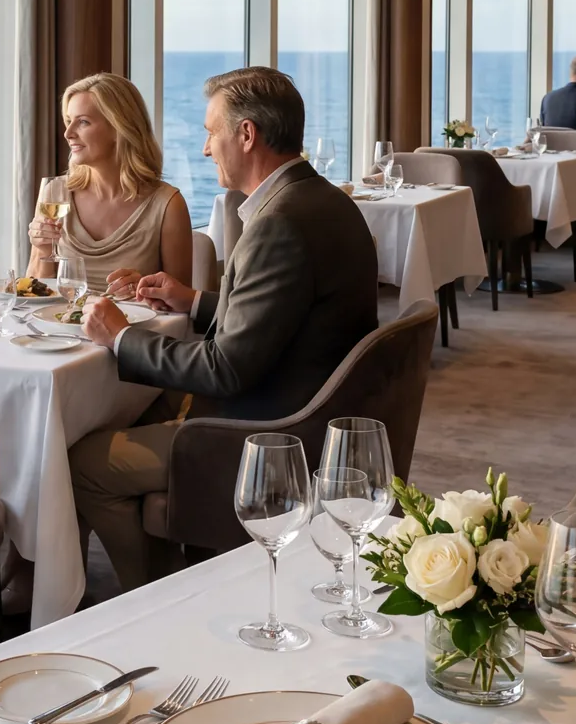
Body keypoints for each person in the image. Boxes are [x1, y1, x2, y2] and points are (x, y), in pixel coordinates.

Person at [68, 67, 377, 591]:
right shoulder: (322, 200)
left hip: (270, 435)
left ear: (247, 134)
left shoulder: (278, 223)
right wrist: (193, 302)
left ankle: (156, 596)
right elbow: (286, 315)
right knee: (142, 411)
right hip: (313, 408)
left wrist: (119, 336)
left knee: (84, 462)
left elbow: (225, 369)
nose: (206, 148)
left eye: (212, 132)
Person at [26, 74, 191, 294]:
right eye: (68, 120)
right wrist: (42, 247)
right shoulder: (55, 193)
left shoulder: (167, 205)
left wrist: (143, 290)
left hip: (129, 318)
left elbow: (181, 304)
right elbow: (33, 295)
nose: (68, 133)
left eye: (83, 122)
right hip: (62, 317)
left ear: (119, 128)